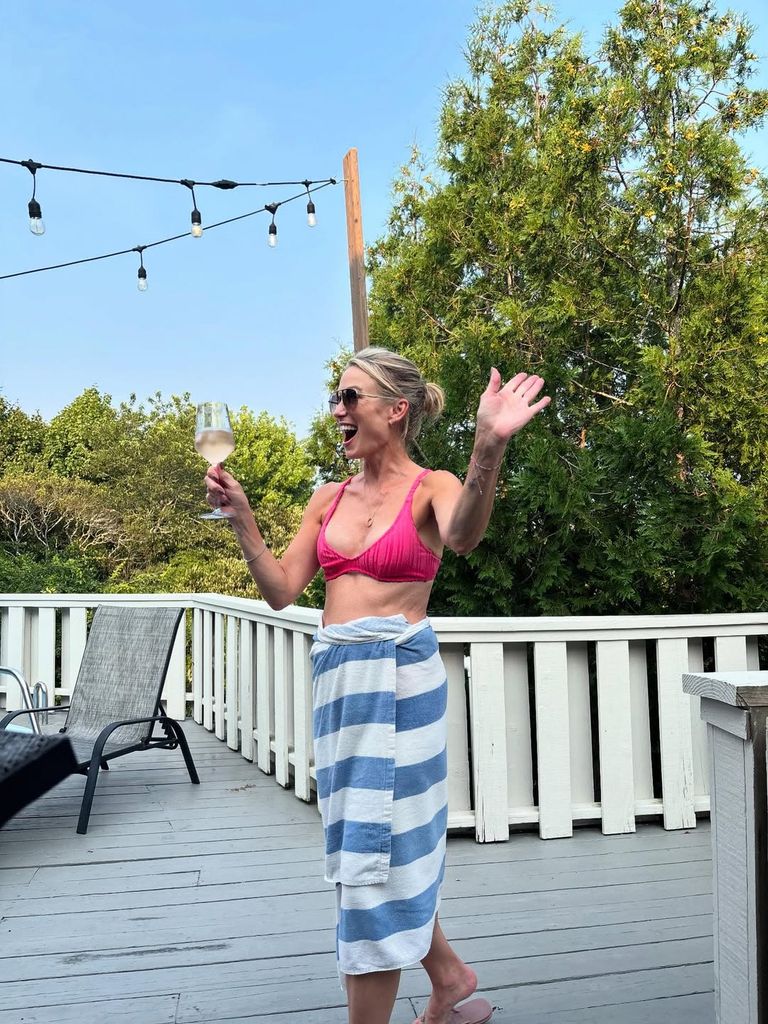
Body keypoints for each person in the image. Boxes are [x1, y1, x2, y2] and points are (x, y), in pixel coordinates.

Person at [205, 346, 550, 1024]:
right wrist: (243, 519)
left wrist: (487, 448)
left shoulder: (433, 486)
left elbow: (464, 536)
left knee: (370, 863)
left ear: (396, 411)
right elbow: (281, 590)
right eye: (336, 398)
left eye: (350, 398)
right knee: (370, 846)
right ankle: (447, 979)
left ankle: (418, 998)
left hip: (398, 685)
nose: (337, 410)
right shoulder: (326, 497)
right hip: (338, 686)